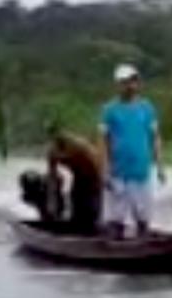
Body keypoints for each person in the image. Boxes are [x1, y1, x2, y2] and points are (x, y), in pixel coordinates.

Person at [99, 65, 163, 237]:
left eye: (133, 81)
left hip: (141, 171)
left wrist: (160, 166)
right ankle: (113, 247)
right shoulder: (109, 110)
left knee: (143, 217)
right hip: (117, 172)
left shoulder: (147, 108)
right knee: (116, 219)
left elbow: (155, 137)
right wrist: (105, 170)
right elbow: (104, 142)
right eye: (125, 82)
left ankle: (143, 243)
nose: (129, 85)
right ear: (118, 84)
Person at [45, 125, 103, 234]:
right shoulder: (52, 151)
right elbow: (52, 177)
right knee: (76, 203)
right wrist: (51, 201)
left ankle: (94, 228)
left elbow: (98, 165)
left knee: (91, 207)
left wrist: (100, 184)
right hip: (78, 177)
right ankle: (74, 226)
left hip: (93, 176)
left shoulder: (80, 146)